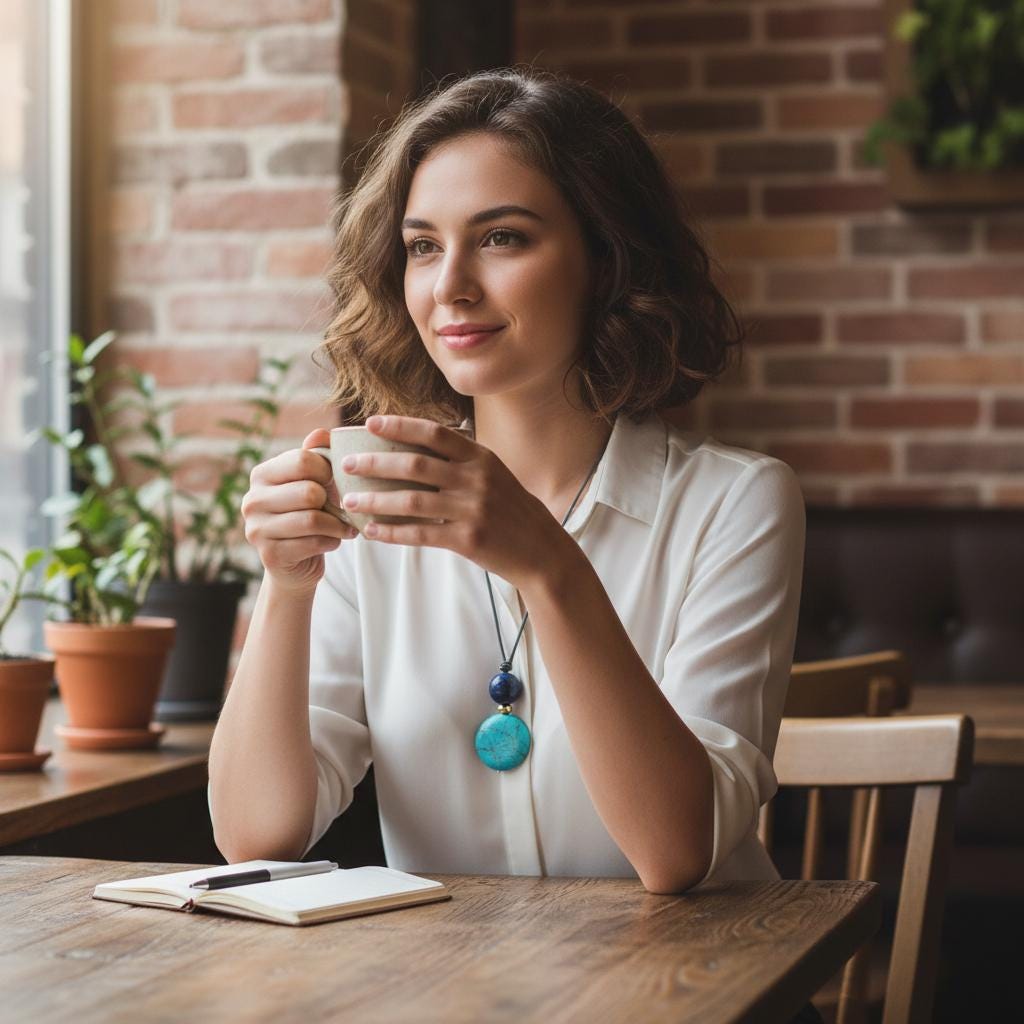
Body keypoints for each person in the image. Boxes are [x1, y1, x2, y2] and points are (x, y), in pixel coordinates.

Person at [208, 66, 806, 897]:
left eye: (502, 238)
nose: (450, 284)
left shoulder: (735, 504)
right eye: (422, 246)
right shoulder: (370, 507)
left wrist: (546, 562)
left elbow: (676, 852)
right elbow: (254, 835)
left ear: (605, 259)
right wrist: (286, 587)